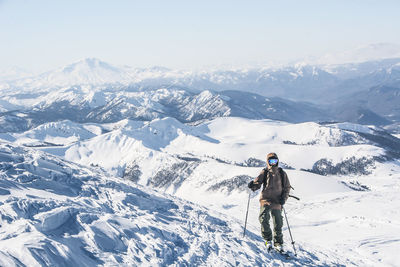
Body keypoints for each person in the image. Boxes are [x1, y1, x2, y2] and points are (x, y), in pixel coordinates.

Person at [248, 152, 291, 251]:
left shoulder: (282, 173)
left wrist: (283, 199)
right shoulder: (265, 172)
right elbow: (257, 183)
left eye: (275, 161)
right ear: (268, 162)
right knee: (263, 219)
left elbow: (287, 188)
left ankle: (278, 243)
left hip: (277, 200)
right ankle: (268, 239)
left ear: (277, 161)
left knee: (278, 223)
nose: (273, 163)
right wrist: (252, 185)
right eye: (271, 161)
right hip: (265, 199)